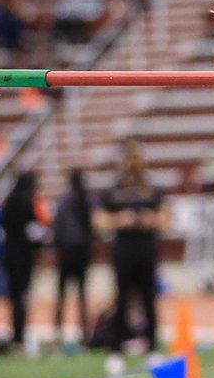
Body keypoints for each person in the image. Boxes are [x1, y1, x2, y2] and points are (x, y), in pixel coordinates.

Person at [96, 141, 167, 354]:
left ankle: (152, 346)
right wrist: (120, 220)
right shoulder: (114, 190)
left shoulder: (151, 190)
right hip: (124, 250)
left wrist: (150, 220)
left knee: (149, 299)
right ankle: (116, 347)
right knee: (121, 299)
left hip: (146, 250)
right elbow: (99, 221)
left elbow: (165, 219)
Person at [52, 170, 95, 343]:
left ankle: (57, 330)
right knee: (82, 294)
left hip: (65, 253)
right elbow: (91, 228)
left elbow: (57, 226)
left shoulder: (64, 201)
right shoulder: (86, 200)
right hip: (82, 253)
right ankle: (84, 332)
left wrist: (56, 248)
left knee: (61, 293)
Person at [0, 171, 39, 347]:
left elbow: (2, 226)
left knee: (14, 296)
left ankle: (16, 332)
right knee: (22, 295)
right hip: (23, 256)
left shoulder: (9, 201)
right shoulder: (26, 202)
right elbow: (33, 231)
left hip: (9, 255)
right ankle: (20, 334)